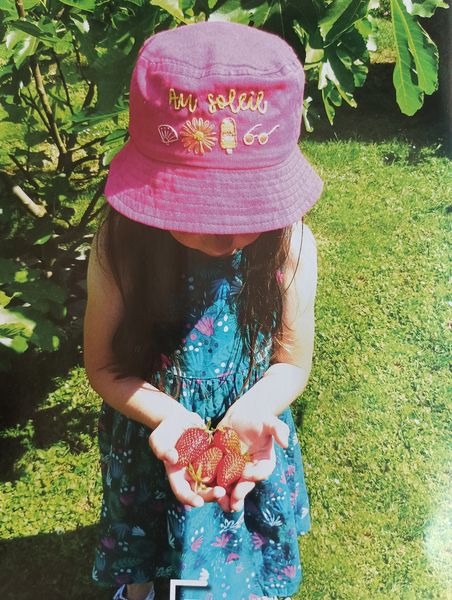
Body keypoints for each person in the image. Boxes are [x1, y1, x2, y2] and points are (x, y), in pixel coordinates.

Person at [83, 20, 323, 600]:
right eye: (201, 209)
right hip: (152, 430)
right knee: (145, 544)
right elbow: (104, 366)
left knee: (239, 540)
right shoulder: (121, 246)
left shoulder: (289, 244)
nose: (225, 232)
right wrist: (167, 417)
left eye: (248, 208)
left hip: (248, 429)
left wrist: (254, 409)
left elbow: (291, 362)